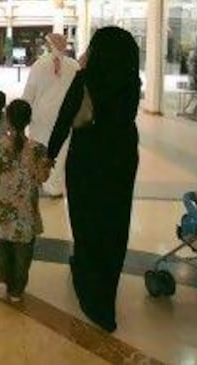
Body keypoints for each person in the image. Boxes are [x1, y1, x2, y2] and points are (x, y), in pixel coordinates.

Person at [47, 26, 142, 333]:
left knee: (87, 218)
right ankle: (107, 291)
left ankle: (91, 292)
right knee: (114, 220)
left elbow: (64, 119)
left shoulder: (86, 79)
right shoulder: (131, 81)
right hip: (122, 158)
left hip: (88, 158)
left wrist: (47, 156)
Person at [0, 99, 51, 302]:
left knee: (2, 243)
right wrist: (46, 167)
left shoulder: (1, 146)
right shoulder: (38, 149)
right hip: (26, 209)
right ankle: (16, 290)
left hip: (4, 204)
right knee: (23, 249)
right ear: (29, 120)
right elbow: (42, 179)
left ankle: (1, 281)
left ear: (8, 120)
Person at [22, 33, 79, 198]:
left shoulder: (39, 65)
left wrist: (23, 113)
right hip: (65, 117)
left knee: (38, 148)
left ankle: (38, 181)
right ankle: (55, 187)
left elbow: (29, 92)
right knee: (61, 150)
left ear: (49, 46)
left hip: (41, 116)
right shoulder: (74, 66)